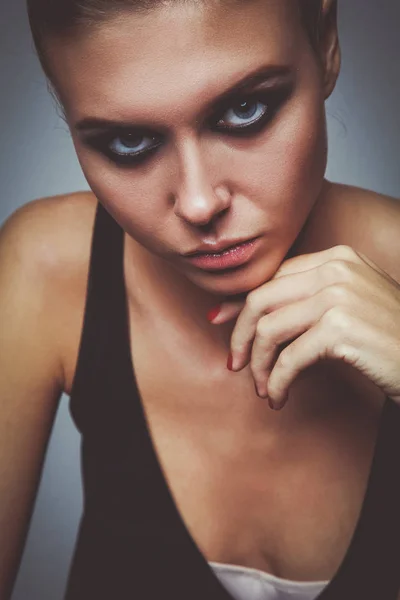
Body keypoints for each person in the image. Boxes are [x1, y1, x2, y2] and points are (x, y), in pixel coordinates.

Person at [1, 0, 400, 598]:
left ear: (325, 42)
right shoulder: (49, 270)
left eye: (245, 110)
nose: (197, 203)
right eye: (129, 142)